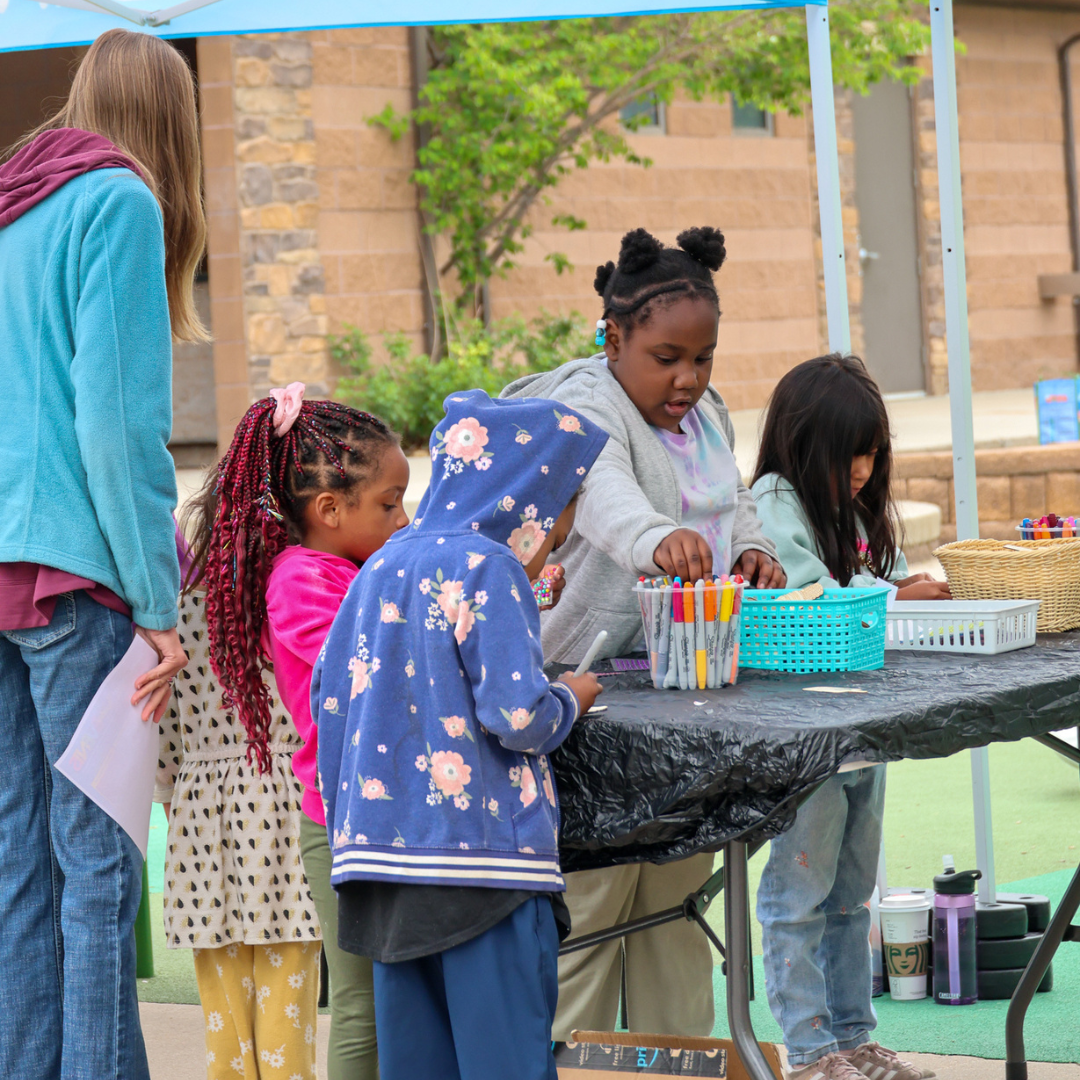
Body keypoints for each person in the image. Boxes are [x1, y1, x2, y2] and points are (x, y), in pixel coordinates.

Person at [502, 226, 784, 1039]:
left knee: (675, 909)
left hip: (682, 688)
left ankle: (685, 1057)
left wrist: (754, 546)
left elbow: (730, 497)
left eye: (704, 358)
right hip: (582, 697)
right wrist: (655, 538)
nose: (688, 379)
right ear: (614, 337)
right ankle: (563, 1061)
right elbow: (602, 492)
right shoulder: (585, 404)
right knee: (592, 917)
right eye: (667, 358)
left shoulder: (707, 412)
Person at [0, 30, 204, 1080]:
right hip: (77, 576)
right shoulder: (119, 200)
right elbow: (116, 428)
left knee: (21, 867)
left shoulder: (12, 204)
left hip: (3, 569)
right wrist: (157, 601)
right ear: (172, 122)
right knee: (97, 871)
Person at [314, 390, 607, 1080]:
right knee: (506, 1064)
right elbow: (519, 717)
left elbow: (330, 702)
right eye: (565, 508)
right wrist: (571, 696)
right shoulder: (489, 566)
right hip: (484, 873)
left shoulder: (379, 564)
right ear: (524, 496)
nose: (563, 532)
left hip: (382, 866)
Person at [187, 386, 410, 1080]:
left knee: (391, 1002)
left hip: (382, 811)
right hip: (343, 820)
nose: (406, 519)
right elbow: (370, 672)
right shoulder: (300, 582)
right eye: (390, 503)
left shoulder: (350, 569)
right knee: (360, 1007)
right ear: (329, 509)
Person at [751, 354, 948, 1080]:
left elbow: (862, 583)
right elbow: (814, 594)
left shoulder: (843, 509)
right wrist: (898, 600)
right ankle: (810, 1051)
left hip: (859, 732)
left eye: (871, 452)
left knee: (849, 894)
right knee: (800, 893)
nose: (862, 467)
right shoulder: (775, 497)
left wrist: (903, 586)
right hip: (805, 733)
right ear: (803, 443)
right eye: (849, 452)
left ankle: (852, 1040)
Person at [154, 522, 322, 1080]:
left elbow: (164, 737)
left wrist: (171, 795)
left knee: (223, 1007)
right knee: (287, 997)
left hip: (202, 816)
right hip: (286, 807)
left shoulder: (181, 609)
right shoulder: (299, 599)